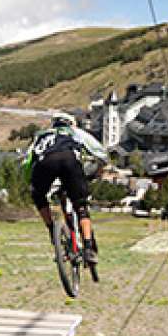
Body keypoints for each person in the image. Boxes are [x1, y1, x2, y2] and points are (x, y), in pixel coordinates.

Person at [24, 112, 109, 265]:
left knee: (38, 196)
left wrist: (31, 183)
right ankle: (89, 248)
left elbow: (27, 162)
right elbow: (101, 154)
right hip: (70, 162)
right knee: (81, 206)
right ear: (70, 123)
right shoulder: (75, 132)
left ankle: (52, 230)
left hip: (46, 164)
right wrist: (97, 172)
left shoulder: (41, 136)